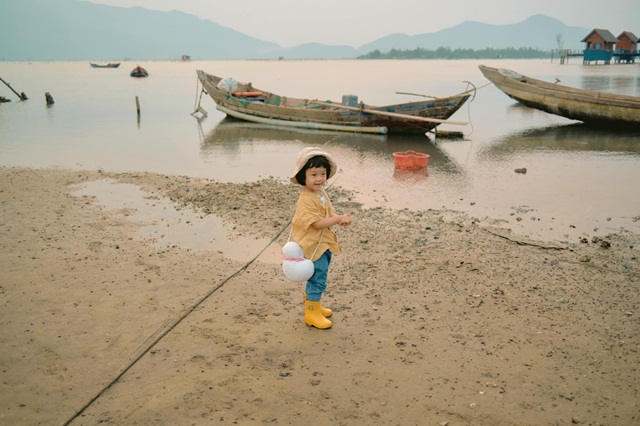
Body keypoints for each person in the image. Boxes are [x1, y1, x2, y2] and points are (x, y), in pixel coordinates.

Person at [290, 147, 352, 329]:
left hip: (322, 242)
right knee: (318, 276)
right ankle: (311, 312)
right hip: (313, 244)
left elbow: (327, 214)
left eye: (322, 174)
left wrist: (339, 219)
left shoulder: (319, 193)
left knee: (320, 273)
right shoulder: (306, 198)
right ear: (303, 176)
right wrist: (337, 219)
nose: (319, 179)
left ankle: (315, 304)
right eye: (313, 174)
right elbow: (316, 223)